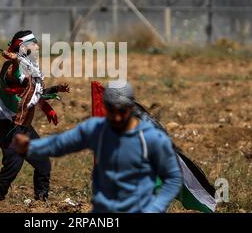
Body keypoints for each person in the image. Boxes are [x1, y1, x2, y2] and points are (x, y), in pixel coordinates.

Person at [13, 81, 183, 213]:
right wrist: (31, 147)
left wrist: (156, 207)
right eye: (111, 110)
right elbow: (61, 143)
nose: (116, 117)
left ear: (131, 108)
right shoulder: (97, 129)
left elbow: (173, 177)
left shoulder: (151, 138)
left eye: (122, 111)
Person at [0, 30, 70, 202]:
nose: (37, 46)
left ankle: (41, 202)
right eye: (34, 43)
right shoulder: (11, 67)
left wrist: (56, 89)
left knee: (43, 163)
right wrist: (15, 62)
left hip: (24, 126)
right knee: (14, 164)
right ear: (23, 47)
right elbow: (14, 81)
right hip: (9, 125)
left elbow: (33, 93)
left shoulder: (31, 67)